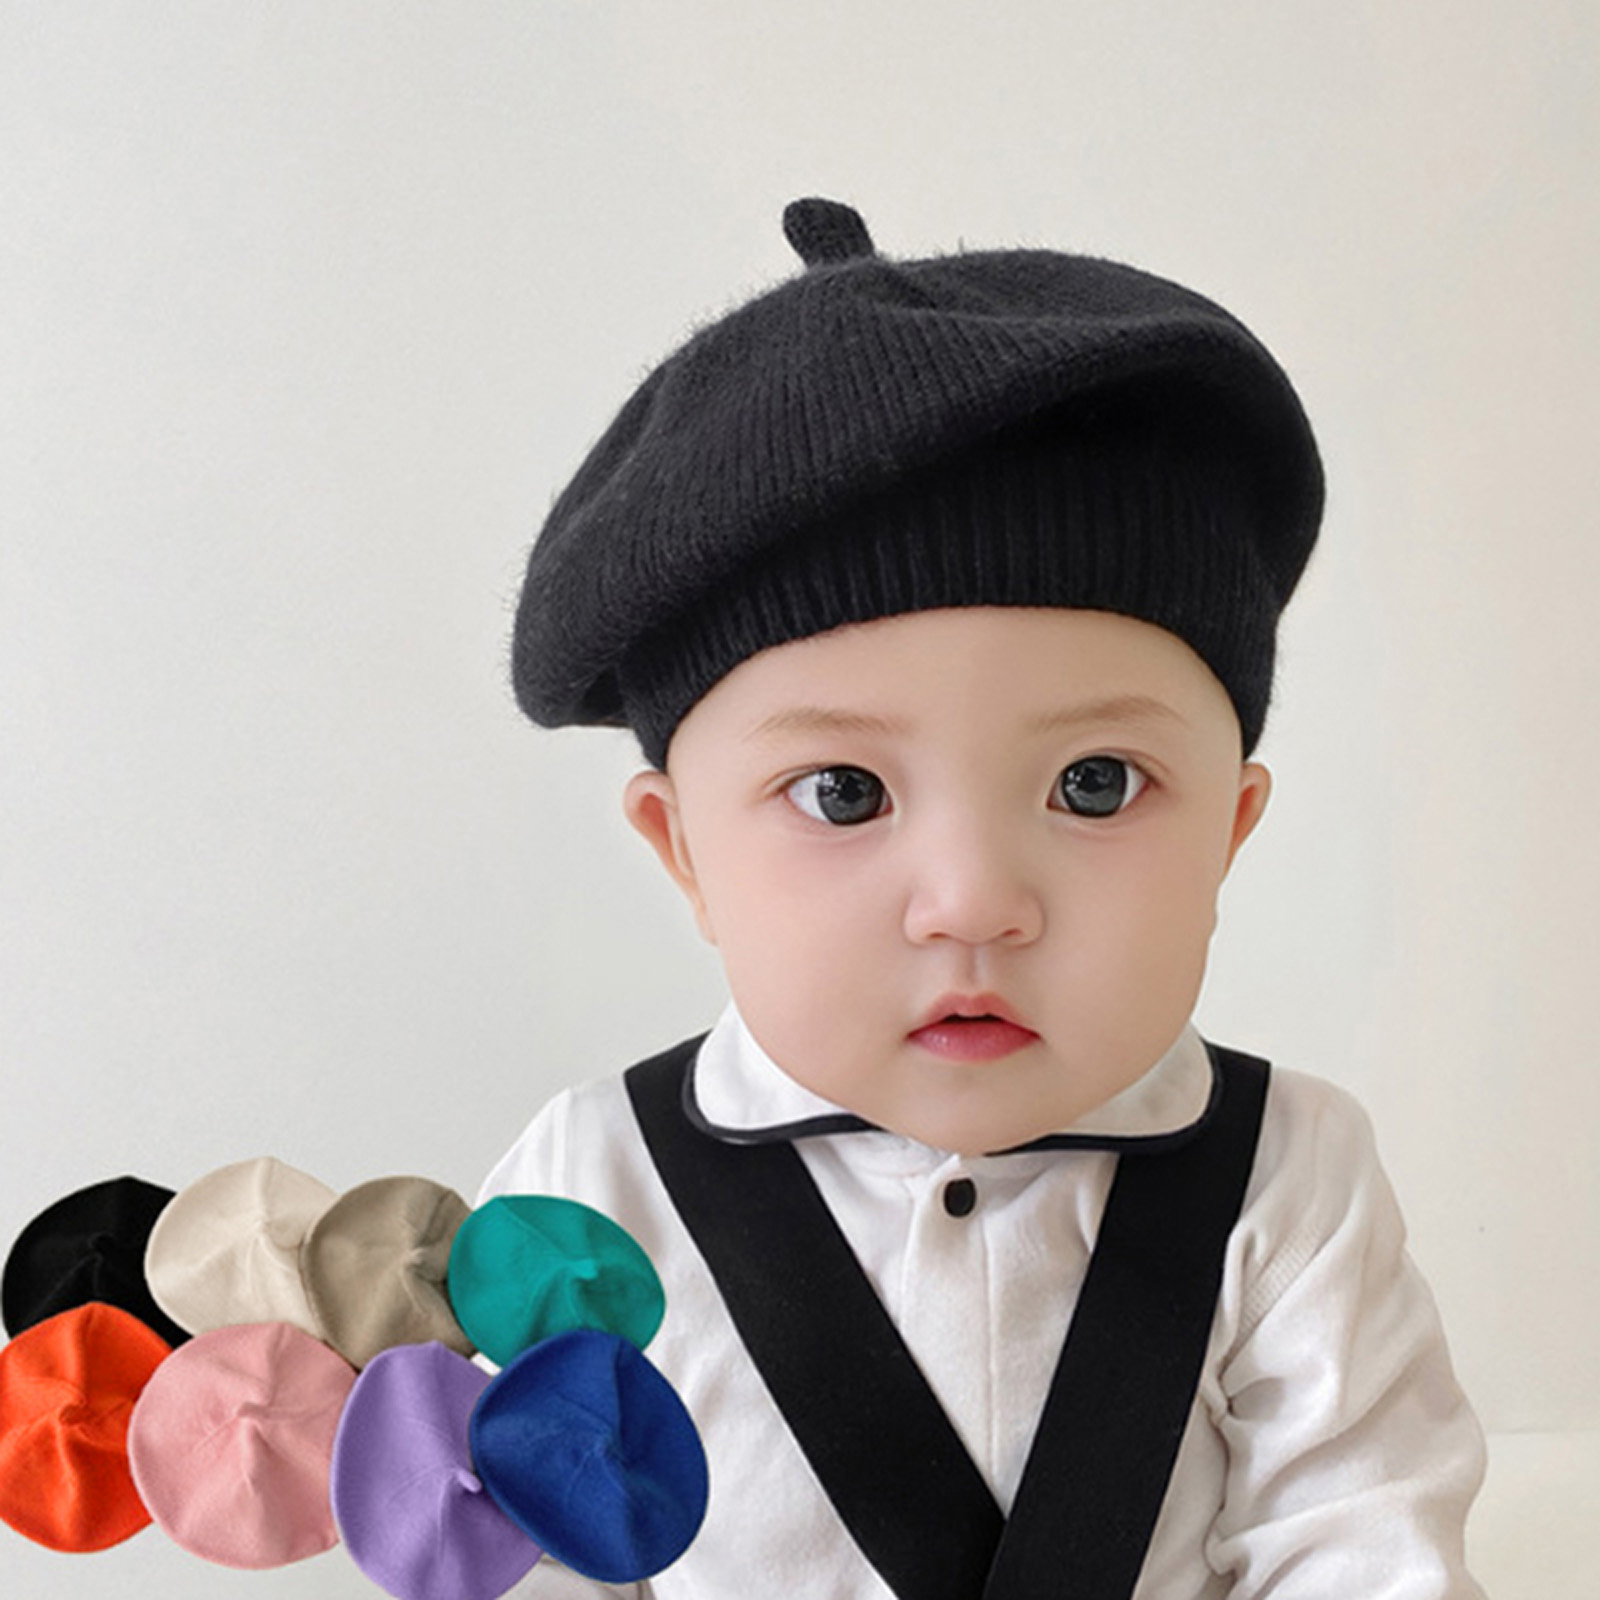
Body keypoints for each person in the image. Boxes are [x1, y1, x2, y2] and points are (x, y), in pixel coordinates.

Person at [481, 197, 1487, 1598]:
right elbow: (521, 1547)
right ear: (683, 849)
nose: (972, 904)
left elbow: (1364, 1539)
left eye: (1094, 785)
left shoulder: (1286, 1179)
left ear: (1231, 831)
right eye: (845, 793)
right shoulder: (593, 1189)